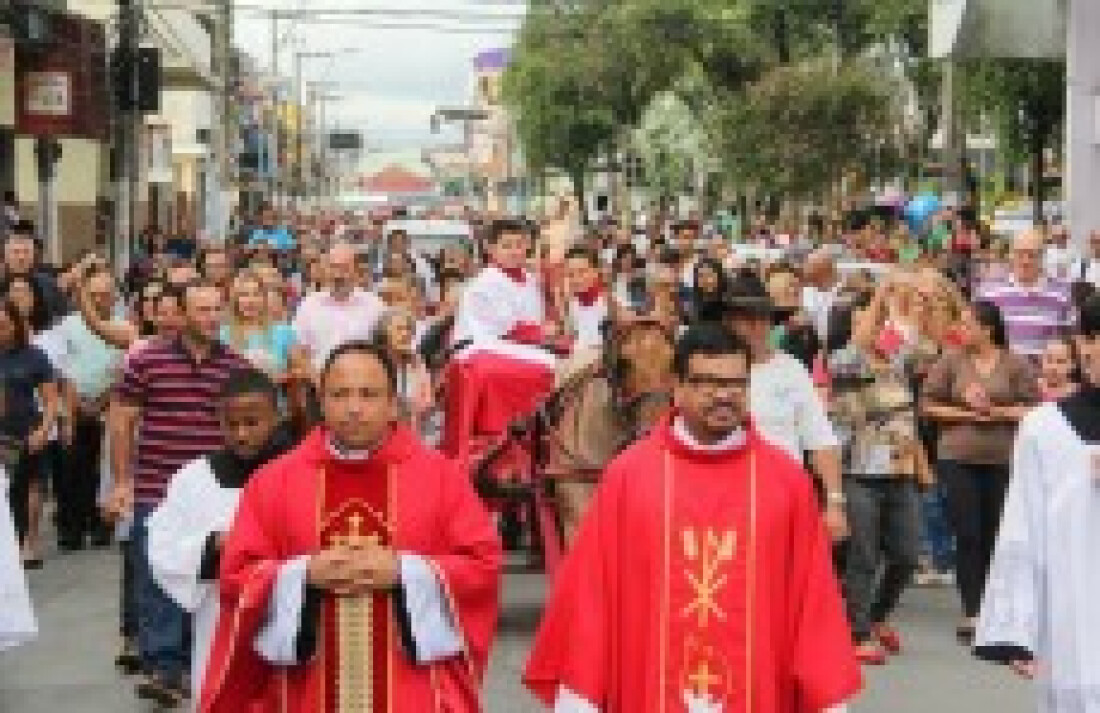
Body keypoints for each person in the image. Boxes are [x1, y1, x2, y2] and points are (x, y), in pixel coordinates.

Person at [524, 324, 861, 712]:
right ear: (677, 387)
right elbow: (591, 596)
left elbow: (812, 599)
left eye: (736, 384)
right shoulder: (629, 476)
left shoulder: (786, 482)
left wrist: (827, 702)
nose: (724, 395)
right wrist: (580, 698)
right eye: (707, 383)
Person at [200, 342, 502, 713]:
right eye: (340, 395)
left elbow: (482, 566)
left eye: (369, 394)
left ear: (393, 404)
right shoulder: (273, 481)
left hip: (410, 690)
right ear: (321, 403)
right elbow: (237, 575)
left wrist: (406, 571)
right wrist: (303, 573)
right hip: (305, 691)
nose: (354, 408)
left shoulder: (441, 477)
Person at [105, 280, 251, 704]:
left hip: (211, 492)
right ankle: (164, 667)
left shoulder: (235, 367)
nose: (211, 317)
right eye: (202, 309)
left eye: (217, 309)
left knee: (202, 579)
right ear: (182, 314)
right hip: (155, 485)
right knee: (156, 577)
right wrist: (121, 482)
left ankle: (192, 661)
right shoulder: (147, 361)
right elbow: (123, 420)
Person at [973, 294, 1100, 713]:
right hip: (1072, 609)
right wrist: (1016, 626)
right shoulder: (1043, 428)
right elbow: (1021, 528)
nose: (1096, 349)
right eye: (1092, 337)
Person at [145, 369, 292, 705]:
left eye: (253, 423)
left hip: (290, 617)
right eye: (230, 424)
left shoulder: (300, 471)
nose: (241, 434)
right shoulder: (195, 478)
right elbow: (162, 545)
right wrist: (213, 545)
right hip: (220, 618)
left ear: (277, 416)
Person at [922, 300, 1040, 644]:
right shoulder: (951, 361)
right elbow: (928, 403)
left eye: (968, 324)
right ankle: (971, 609)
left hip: (1001, 458)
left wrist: (997, 411)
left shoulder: (1016, 364)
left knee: (994, 534)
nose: (962, 330)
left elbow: (1032, 408)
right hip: (957, 456)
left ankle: (993, 608)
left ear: (988, 329)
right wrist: (967, 414)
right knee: (968, 532)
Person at [829, 294, 928, 666]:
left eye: (875, 322)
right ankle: (858, 632)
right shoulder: (841, 360)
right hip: (858, 471)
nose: (873, 328)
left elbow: (921, 344)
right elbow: (857, 345)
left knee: (906, 554)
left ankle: (876, 614)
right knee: (863, 555)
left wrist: (910, 309)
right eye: (865, 322)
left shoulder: (895, 360)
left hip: (899, 471)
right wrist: (882, 296)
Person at [723, 271, 848, 540]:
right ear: (727, 322)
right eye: (746, 319)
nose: (757, 326)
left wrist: (835, 502)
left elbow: (820, 439)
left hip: (783, 499)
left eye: (763, 318)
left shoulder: (791, 368)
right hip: (724, 498)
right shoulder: (709, 371)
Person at [38, 266, 122, 551]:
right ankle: (70, 528)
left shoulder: (123, 328)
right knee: (71, 468)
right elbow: (61, 371)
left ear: (115, 296)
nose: (100, 300)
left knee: (103, 469)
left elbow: (124, 372)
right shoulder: (67, 326)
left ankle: (101, 524)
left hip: (109, 406)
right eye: (94, 295)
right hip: (72, 404)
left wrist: (103, 403)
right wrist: (72, 411)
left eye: (106, 295)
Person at [0, 298, 58, 569]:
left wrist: (44, 429)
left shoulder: (34, 355)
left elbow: (50, 399)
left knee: (33, 485)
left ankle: (30, 541)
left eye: (5, 325)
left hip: (27, 428)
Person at [976, 229, 1072, 358]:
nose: (1025, 261)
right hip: (1005, 374)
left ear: (1042, 256)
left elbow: (1070, 339)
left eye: (1032, 255)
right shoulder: (988, 291)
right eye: (1020, 254)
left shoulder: (1061, 293)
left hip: (1046, 374)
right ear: (1010, 255)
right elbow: (977, 337)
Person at [291, 242, 385, 371]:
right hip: (319, 383)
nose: (338, 275)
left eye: (344, 268)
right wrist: (317, 380)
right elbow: (298, 351)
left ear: (356, 270)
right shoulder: (309, 305)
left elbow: (384, 351)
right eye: (333, 267)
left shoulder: (375, 306)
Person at [220, 271, 296, 379]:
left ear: (264, 299)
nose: (251, 301)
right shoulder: (222, 334)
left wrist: (279, 377)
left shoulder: (283, 332)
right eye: (244, 295)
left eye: (256, 294)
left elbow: (302, 371)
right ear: (235, 300)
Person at [561, 246, 607, 350]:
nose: (576, 279)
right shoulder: (573, 304)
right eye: (571, 274)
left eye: (582, 272)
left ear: (596, 272)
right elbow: (572, 337)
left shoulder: (608, 304)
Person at [1037, 335, 1080, 402]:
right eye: (1049, 360)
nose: (1054, 367)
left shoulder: (1078, 394)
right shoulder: (1029, 388)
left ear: (1072, 365)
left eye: (1060, 361)